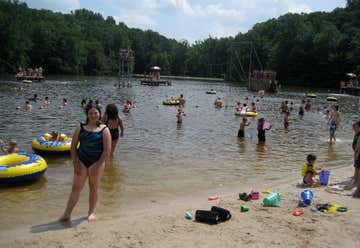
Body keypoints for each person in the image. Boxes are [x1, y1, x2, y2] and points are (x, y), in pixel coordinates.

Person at [60, 104, 111, 222]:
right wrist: (75, 162)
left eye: (96, 113)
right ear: (87, 115)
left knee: (94, 188)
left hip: (97, 162)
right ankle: (67, 214)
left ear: (99, 114)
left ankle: (91, 213)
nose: (93, 115)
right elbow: (73, 147)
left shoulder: (104, 129)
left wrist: (97, 166)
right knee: (76, 188)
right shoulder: (80, 127)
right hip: (81, 161)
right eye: (91, 113)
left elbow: (107, 151)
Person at [352, 121, 360, 198]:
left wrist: (357, 153)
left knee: (357, 166)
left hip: (358, 153)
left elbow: (359, 145)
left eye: (356, 127)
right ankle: (355, 177)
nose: (354, 128)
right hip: (356, 152)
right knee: (356, 166)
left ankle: (356, 179)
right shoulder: (356, 133)